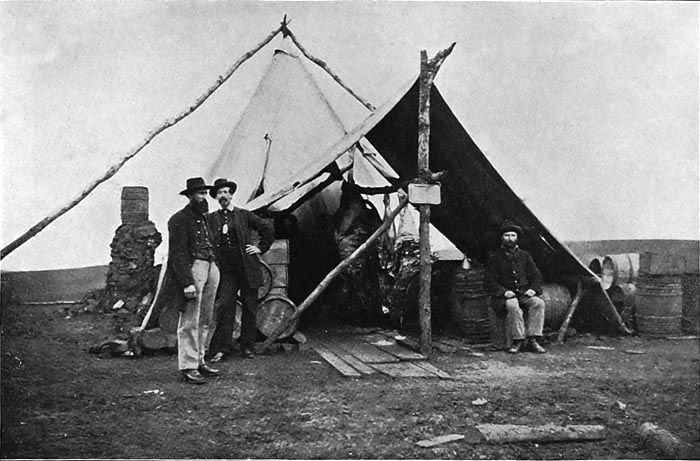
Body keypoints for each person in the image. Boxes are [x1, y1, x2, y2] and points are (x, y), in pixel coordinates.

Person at [207, 178, 274, 362]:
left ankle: (247, 347)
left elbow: (266, 228)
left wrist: (260, 248)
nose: (223, 195)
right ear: (216, 197)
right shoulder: (211, 218)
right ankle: (222, 349)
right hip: (226, 271)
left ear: (231, 195)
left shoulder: (244, 215)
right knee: (225, 306)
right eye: (220, 193)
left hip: (247, 268)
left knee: (250, 308)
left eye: (226, 192)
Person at [163, 177, 221, 384]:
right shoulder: (178, 219)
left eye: (205, 193)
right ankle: (188, 365)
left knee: (205, 318)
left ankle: (200, 360)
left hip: (211, 266)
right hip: (194, 268)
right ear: (190, 196)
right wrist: (186, 282)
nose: (203, 197)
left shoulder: (206, 219)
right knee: (190, 320)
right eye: (199, 193)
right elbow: (177, 253)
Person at [485, 221, 546, 354]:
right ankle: (518, 340)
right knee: (513, 305)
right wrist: (504, 292)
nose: (510, 239)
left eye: (513, 235)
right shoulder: (495, 258)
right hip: (504, 296)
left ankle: (533, 339)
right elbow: (489, 281)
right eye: (507, 235)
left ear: (517, 238)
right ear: (502, 238)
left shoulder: (525, 255)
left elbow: (536, 275)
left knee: (538, 303)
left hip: (524, 293)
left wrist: (533, 289)